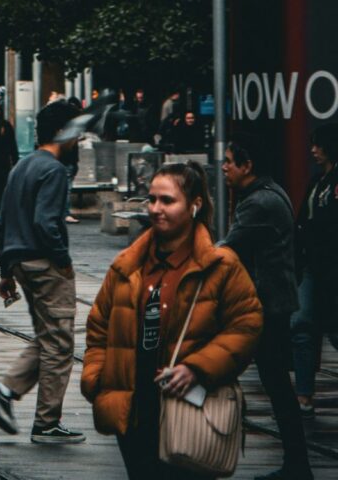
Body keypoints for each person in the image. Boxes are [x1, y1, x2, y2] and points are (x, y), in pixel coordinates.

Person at [82, 161, 263, 480]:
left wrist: (197, 368)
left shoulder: (220, 266)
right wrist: (97, 382)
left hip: (190, 409)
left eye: (167, 200)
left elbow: (246, 326)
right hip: (135, 411)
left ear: (194, 205)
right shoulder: (127, 266)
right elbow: (99, 328)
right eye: (151, 199)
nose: (156, 208)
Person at [0, 100, 86, 444]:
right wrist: (63, 259)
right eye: (75, 131)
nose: (79, 138)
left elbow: (2, 225)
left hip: (19, 262)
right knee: (59, 343)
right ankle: (46, 422)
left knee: (47, 337)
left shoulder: (22, 166)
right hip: (44, 264)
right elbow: (46, 222)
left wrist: (5, 270)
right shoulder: (54, 170)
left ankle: (5, 389)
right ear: (61, 132)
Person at [221, 134, 311, 480]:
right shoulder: (269, 193)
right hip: (272, 302)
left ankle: (297, 465)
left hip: (266, 306)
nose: (225, 167)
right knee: (277, 386)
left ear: (248, 165)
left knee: (268, 383)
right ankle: (297, 464)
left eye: (230, 161)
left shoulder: (259, 202)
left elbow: (228, 248)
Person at [293, 123, 338, 418]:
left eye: (318, 145)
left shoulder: (330, 183)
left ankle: (304, 393)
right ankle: (304, 394)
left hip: (331, 266)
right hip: (313, 266)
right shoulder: (318, 182)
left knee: (331, 331)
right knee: (302, 325)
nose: (313, 150)